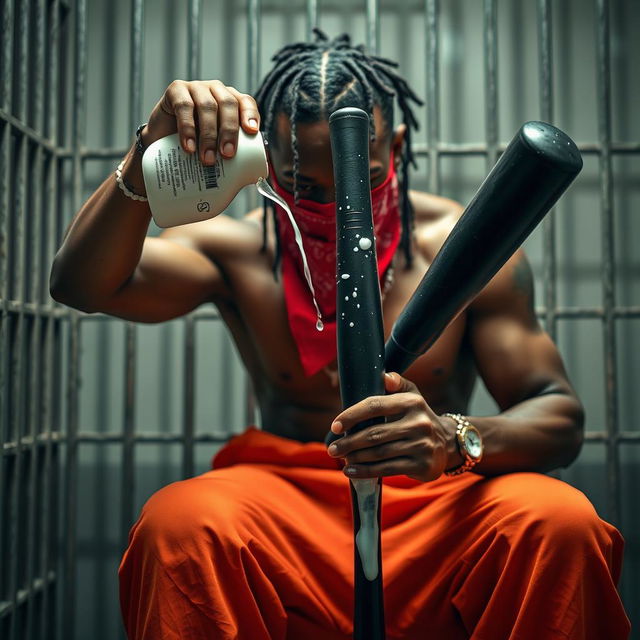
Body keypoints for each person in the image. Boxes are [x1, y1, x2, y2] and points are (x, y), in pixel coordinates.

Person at [50, 30, 629, 640]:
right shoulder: (240, 251)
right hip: (289, 507)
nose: (333, 207)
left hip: (433, 504)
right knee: (180, 526)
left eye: (363, 179)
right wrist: (150, 149)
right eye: (304, 188)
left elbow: (559, 416)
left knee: (560, 522)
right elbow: (82, 285)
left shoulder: (462, 248)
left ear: (396, 148)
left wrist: (455, 438)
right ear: (266, 159)